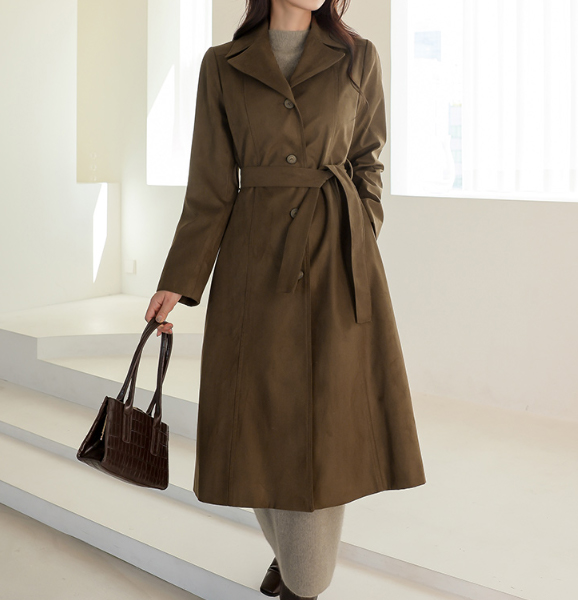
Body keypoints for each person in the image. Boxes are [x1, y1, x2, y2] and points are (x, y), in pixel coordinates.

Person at [145, 1, 427, 598]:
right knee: (253, 419)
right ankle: (294, 559)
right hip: (253, 266)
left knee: (326, 424)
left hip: (337, 264)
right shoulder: (222, 65)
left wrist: (357, 232)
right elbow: (210, 185)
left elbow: (367, 160)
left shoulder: (358, 57)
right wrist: (179, 279)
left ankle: (303, 581)